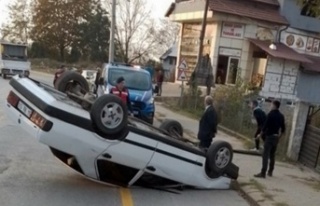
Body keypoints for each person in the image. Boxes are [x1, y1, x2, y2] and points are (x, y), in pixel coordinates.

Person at [254, 100, 286, 178]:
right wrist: (279, 137)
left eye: (271, 105)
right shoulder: (281, 116)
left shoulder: (270, 114)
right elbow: (283, 129)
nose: (270, 106)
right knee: (272, 155)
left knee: (265, 155)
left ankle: (263, 173)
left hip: (269, 137)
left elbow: (265, 126)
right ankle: (270, 171)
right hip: (276, 137)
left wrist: (260, 134)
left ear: (274, 105)